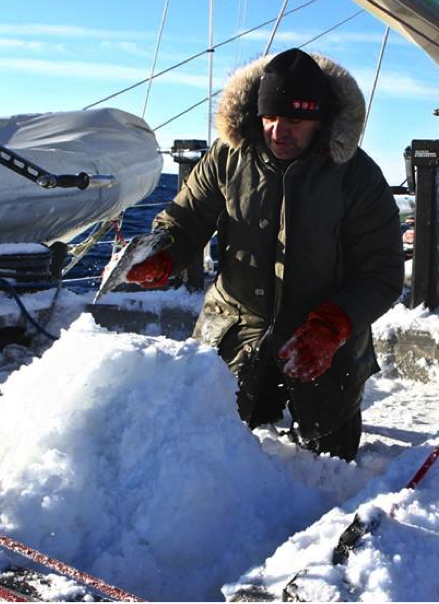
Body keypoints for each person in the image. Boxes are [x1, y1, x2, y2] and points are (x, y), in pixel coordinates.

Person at [126, 48, 404, 461]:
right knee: (208, 455)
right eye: (269, 118)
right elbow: (185, 219)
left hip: (324, 345)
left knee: (330, 463)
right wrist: (163, 255)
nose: (278, 131)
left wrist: (332, 327)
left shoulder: (358, 176)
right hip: (236, 334)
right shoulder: (226, 157)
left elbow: (382, 272)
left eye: (294, 121)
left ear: (321, 120)